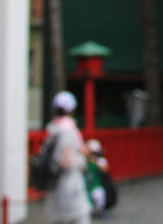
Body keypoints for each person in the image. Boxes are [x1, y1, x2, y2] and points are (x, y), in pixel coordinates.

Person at [44, 91, 91, 224]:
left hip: (54, 189)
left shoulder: (52, 129)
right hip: (70, 189)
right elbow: (66, 161)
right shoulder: (67, 131)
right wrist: (82, 157)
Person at [84, 139, 116, 219]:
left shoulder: (100, 160)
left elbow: (105, 168)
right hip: (85, 187)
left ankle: (101, 210)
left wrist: (94, 160)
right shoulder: (83, 161)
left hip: (96, 185)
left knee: (99, 195)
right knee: (86, 208)